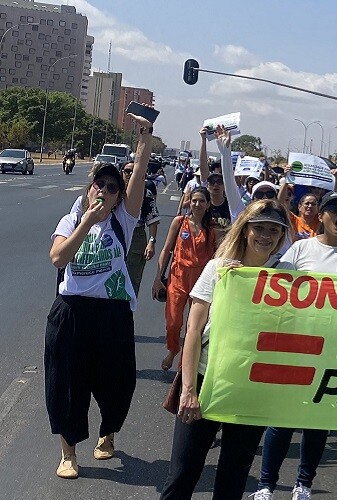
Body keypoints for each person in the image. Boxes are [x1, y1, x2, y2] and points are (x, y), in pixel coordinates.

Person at [131, 202, 288, 500]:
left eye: (274, 229)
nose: (266, 236)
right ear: (245, 229)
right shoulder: (219, 270)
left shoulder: (288, 280)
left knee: (232, 480)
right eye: (259, 227)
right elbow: (193, 329)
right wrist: (187, 388)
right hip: (204, 382)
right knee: (181, 476)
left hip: (249, 391)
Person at [244, 191, 337, 500]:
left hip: (336, 355)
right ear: (320, 215)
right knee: (282, 421)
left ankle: (303, 488)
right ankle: (265, 490)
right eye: (333, 208)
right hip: (297, 350)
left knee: (318, 423)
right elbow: (273, 287)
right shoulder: (301, 249)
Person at [46, 114, 154, 479]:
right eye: (99, 184)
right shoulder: (70, 220)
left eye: (112, 187)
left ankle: (108, 433)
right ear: (89, 188)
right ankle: (68, 454)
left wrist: (144, 139)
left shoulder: (124, 220)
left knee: (117, 382)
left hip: (112, 314)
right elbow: (59, 258)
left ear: (118, 195)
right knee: (65, 383)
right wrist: (87, 223)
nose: (105, 191)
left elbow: (137, 174)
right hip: (72, 311)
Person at [153, 187, 218, 371]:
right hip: (178, 277)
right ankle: (173, 350)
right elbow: (166, 250)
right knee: (173, 322)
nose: (197, 205)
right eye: (194, 200)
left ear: (208, 204)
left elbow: (217, 256)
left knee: (194, 325)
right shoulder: (179, 222)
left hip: (201, 281)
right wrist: (158, 278)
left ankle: (185, 364)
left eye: (202, 201)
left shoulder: (212, 228)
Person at [121, 160, 161, 297]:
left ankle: (127, 311)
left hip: (136, 236)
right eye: (127, 171)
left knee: (132, 279)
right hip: (114, 233)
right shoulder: (113, 191)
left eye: (134, 172)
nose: (130, 174)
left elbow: (152, 219)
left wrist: (151, 241)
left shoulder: (145, 193)